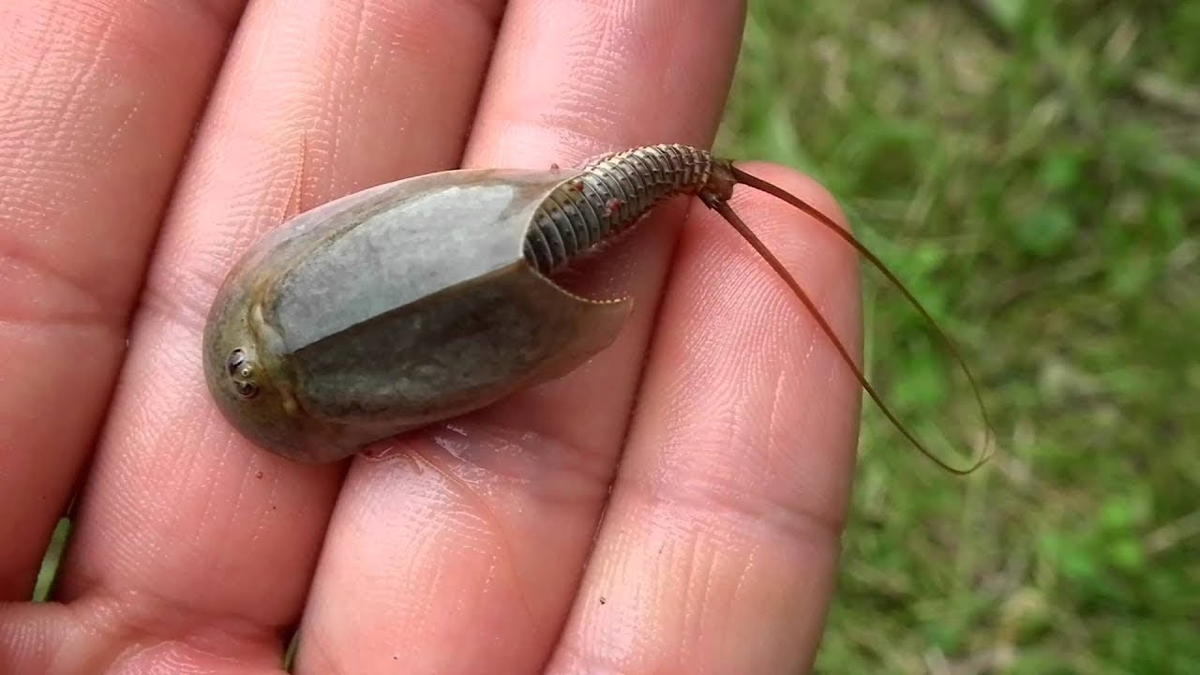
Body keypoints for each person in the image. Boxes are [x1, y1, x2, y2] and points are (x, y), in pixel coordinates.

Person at [0, 1, 861, 672]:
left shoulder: (269, 345)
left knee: (586, 215)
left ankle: (680, 177)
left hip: (525, 234)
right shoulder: (263, 337)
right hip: (525, 256)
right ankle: (679, 178)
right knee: (583, 219)